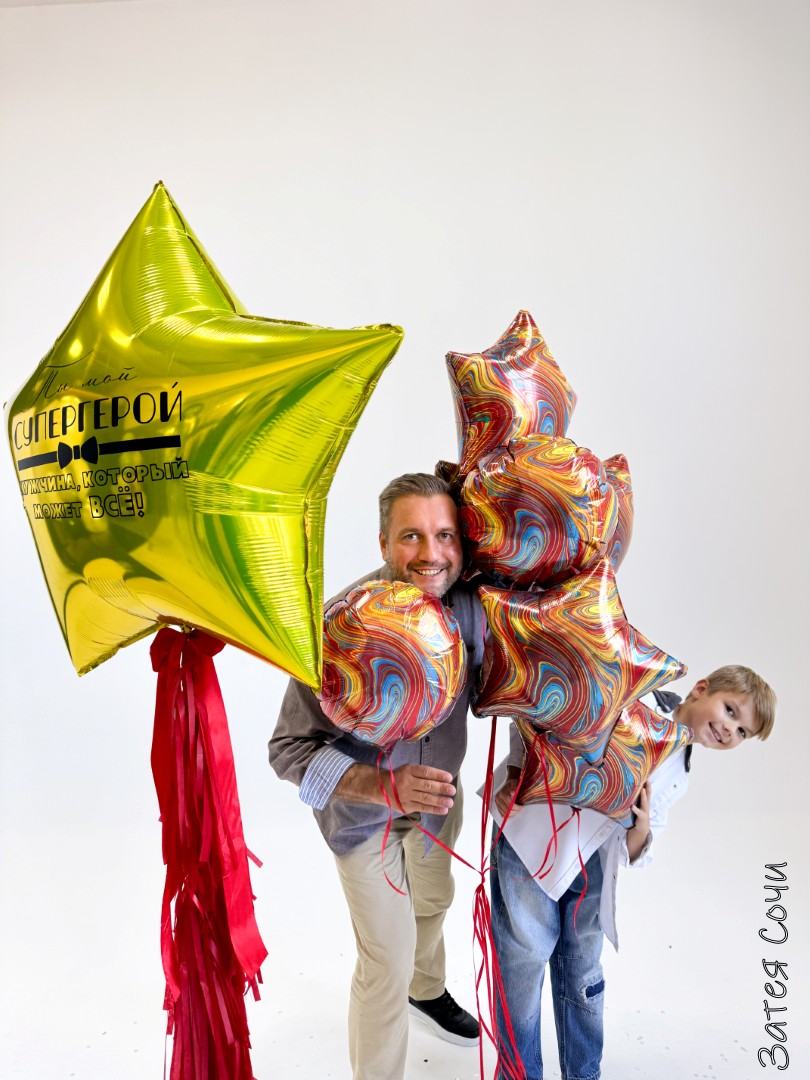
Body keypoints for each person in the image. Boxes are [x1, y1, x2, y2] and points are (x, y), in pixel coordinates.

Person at [268, 472, 487, 1080]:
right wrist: (381, 787)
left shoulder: (472, 607)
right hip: (364, 818)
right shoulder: (342, 629)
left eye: (445, 535)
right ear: (384, 542)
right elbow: (287, 749)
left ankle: (428, 990)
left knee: (434, 900)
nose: (431, 553)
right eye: (411, 536)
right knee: (385, 960)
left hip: (440, 799)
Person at [488, 666, 777, 1080]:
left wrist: (640, 831)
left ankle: (583, 1073)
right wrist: (517, 772)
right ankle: (518, 1075)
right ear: (701, 689)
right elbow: (545, 708)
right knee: (524, 960)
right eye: (730, 711)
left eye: (743, 732)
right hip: (535, 836)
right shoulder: (632, 698)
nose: (730, 729)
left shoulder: (680, 772)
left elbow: (638, 846)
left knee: (582, 969)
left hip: (592, 866)